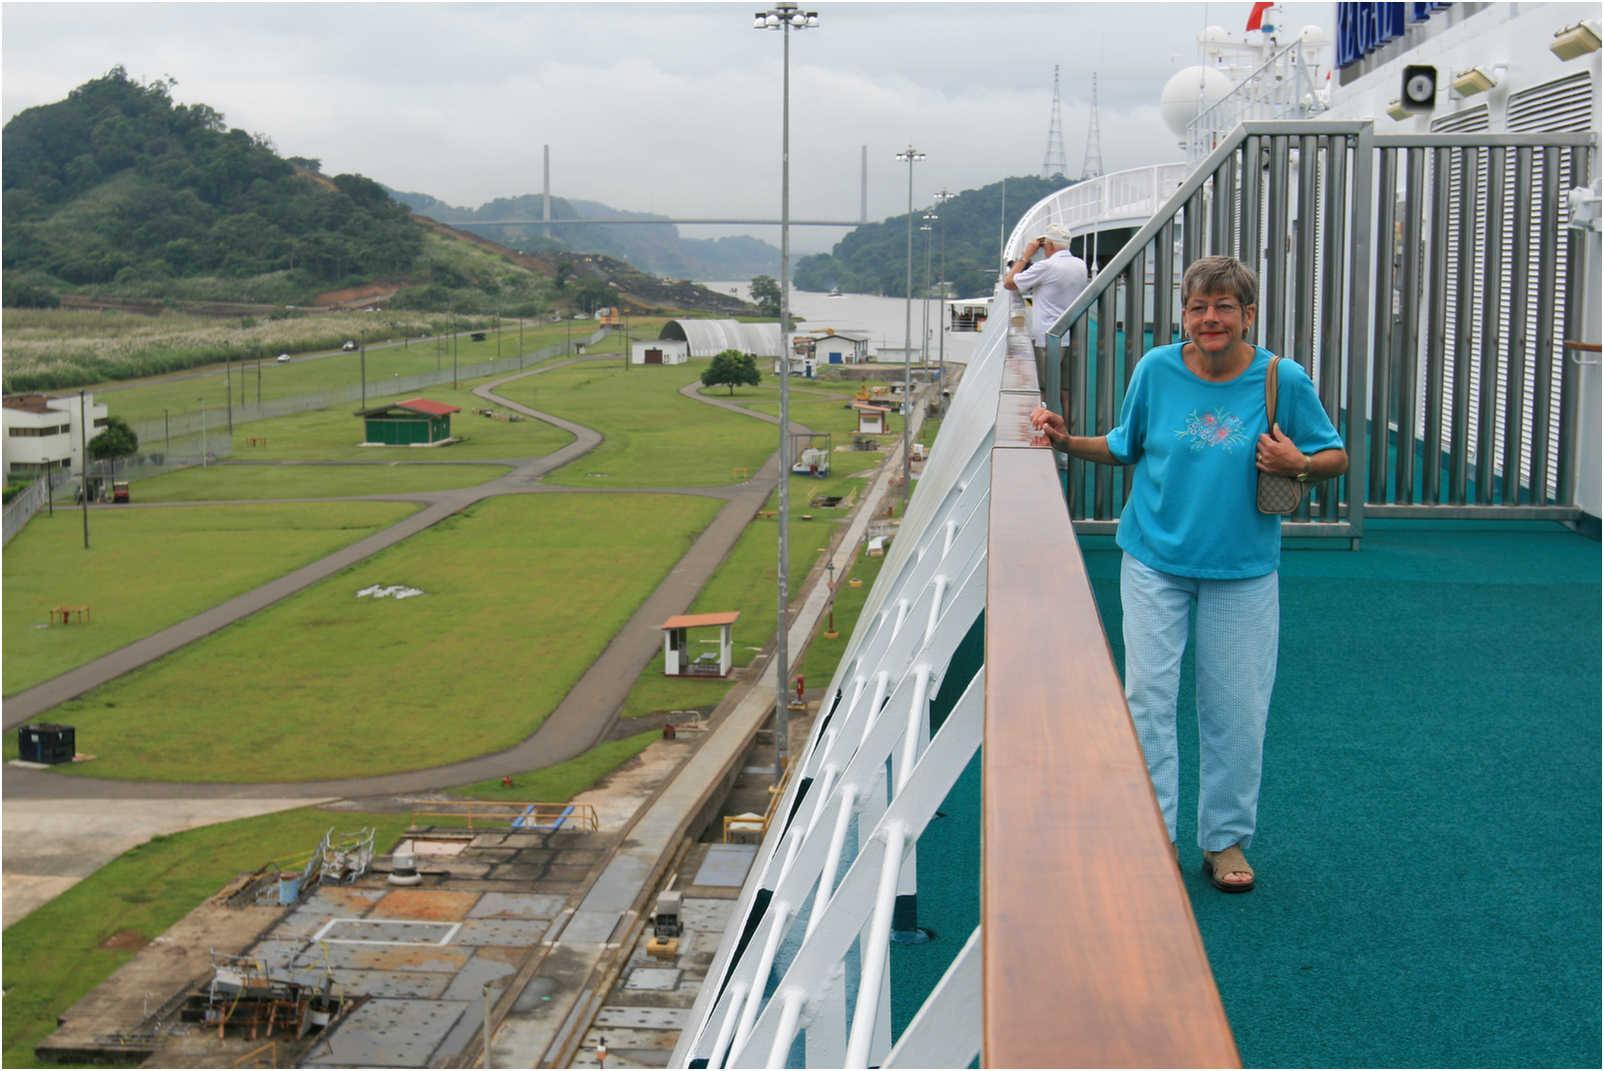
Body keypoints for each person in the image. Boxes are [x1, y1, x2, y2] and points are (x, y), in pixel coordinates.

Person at [1029, 255, 1347, 893]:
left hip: (1242, 568)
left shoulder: (1281, 379)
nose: (1211, 319)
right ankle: (1149, 833)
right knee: (1149, 700)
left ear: (1247, 316)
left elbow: (1333, 455)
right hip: (1154, 560)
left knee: (1235, 707)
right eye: (1199, 307)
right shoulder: (1157, 369)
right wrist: (1064, 441)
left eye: (1225, 306)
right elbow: (1126, 445)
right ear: (1184, 314)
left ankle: (1225, 841)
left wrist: (1298, 463)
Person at [1003, 223, 1089, 363]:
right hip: (1071, 335)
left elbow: (1009, 283)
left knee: (1047, 382)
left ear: (1050, 245)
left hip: (1047, 337)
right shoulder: (1080, 265)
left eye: (1044, 246)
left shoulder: (1046, 266)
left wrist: (1026, 255)